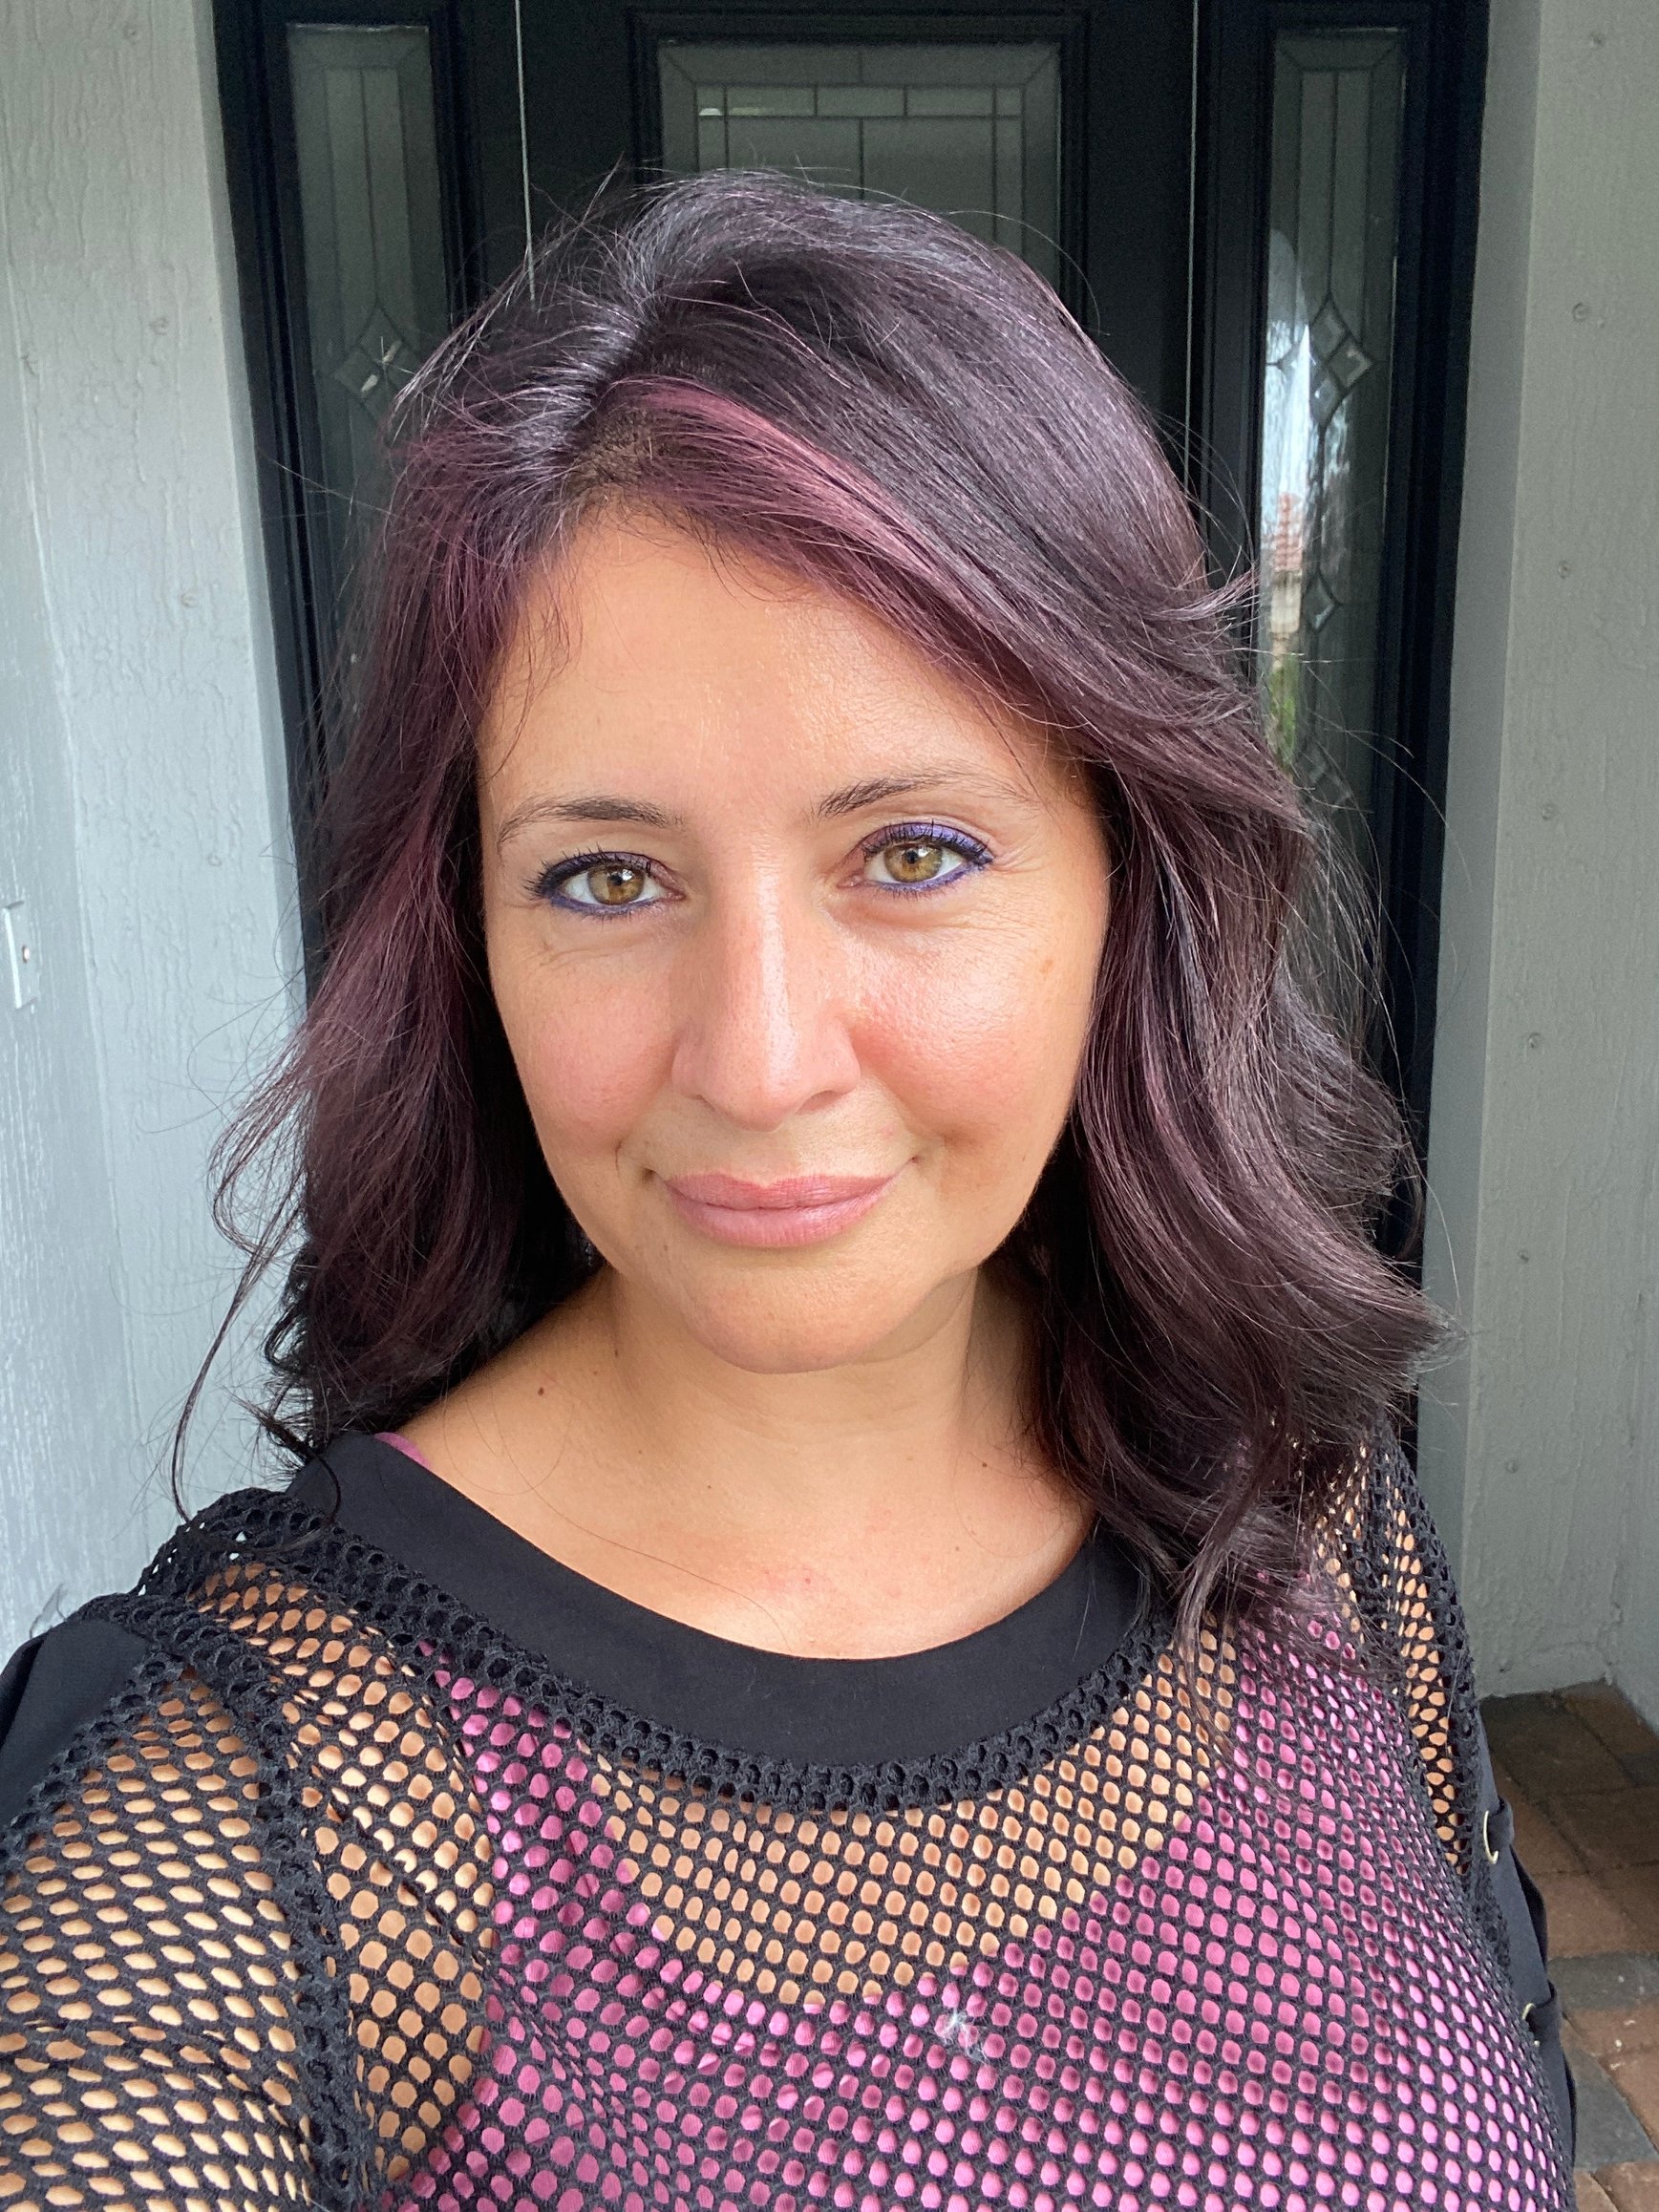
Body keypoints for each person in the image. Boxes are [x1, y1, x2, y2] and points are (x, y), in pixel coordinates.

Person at [0, 172, 1571, 2212]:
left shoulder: (1289, 1501)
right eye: (605, 876)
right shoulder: (252, 1818)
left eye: (907, 851)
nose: (753, 1059)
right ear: (470, 937)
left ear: (1130, 884)